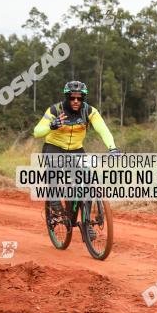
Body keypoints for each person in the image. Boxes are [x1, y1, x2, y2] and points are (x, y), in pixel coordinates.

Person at [32, 80, 120, 238]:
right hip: (54, 147)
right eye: (72, 98)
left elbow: (103, 129)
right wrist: (51, 126)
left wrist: (112, 147)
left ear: (84, 99)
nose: (76, 101)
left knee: (87, 182)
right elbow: (37, 132)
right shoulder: (55, 110)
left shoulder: (89, 111)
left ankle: (85, 223)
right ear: (67, 97)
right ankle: (54, 202)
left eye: (80, 98)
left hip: (76, 150)